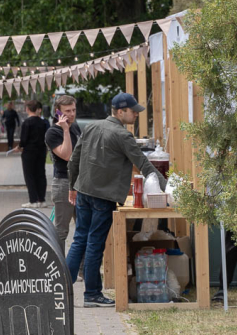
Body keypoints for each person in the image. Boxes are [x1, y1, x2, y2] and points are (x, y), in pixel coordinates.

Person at [68, 92, 166, 307]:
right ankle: (92, 295)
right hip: (103, 197)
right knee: (94, 245)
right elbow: (144, 164)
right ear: (121, 112)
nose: (137, 115)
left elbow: (74, 158)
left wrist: (71, 186)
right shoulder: (123, 136)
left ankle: (61, 287)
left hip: (83, 191)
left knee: (80, 239)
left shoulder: (92, 127)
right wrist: (168, 189)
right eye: (134, 111)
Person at [44, 95, 82, 253]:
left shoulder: (75, 127)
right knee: (61, 231)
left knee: (82, 228)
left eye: (73, 110)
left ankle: (82, 270)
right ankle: (58, 269)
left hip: (79, 183)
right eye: (67, 111)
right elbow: (67, 155)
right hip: (64, 183)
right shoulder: (53, 132)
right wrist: (65, 130)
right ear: (57, 112)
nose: (72, 114)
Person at [19, 100, 50, 208]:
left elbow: (23, 140)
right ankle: (42, 199)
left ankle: (33, 200)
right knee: (41, 174)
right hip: (41, 151)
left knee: (29, 175)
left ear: (27, 109)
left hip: (29, 151)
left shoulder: (26, 123)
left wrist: (19, 147)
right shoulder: (43, 123)